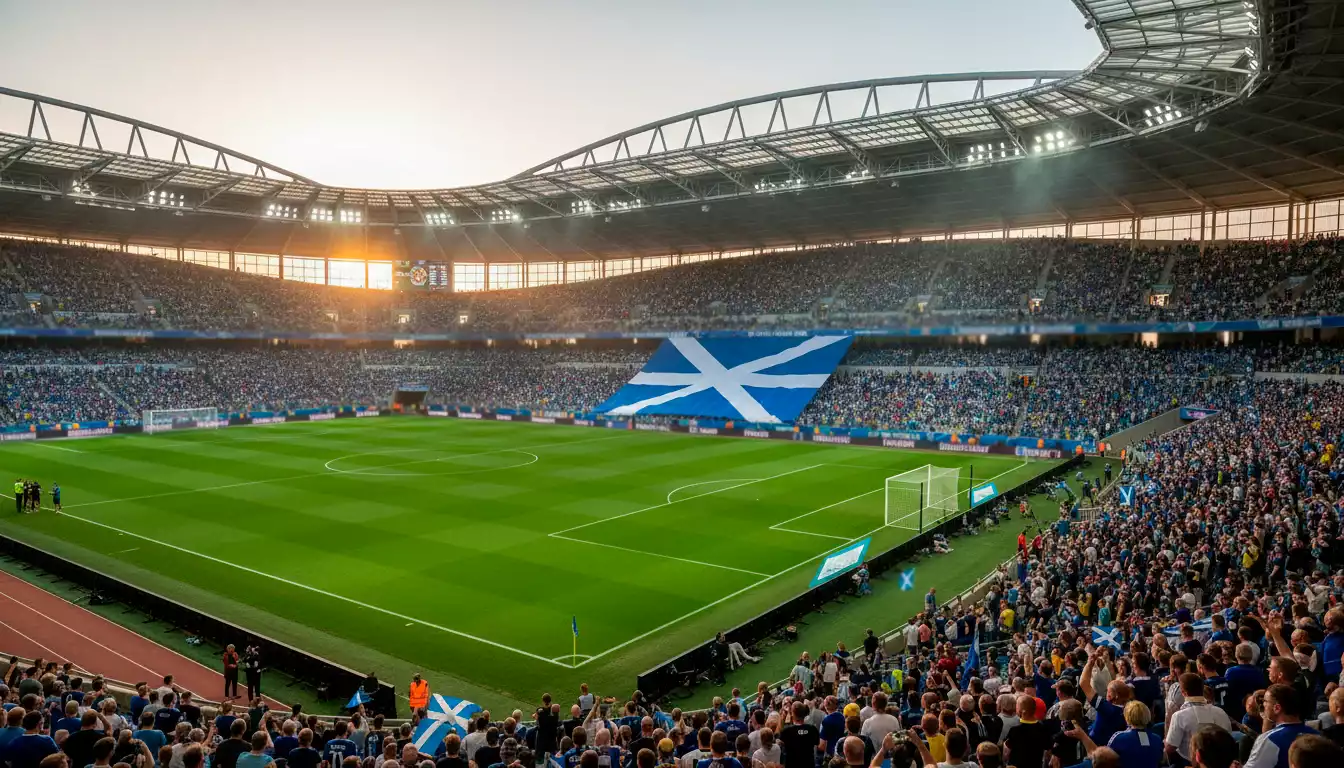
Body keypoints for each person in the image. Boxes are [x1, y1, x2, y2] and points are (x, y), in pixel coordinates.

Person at [1243, 684, 1318, 768]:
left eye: (1265, 701)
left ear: (1277, 708)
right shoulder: (1318, 736)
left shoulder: (1269, 740)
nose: (1263, 705)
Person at [1166, 673, 1232, 765]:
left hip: (1190, 763)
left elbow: (1170, 748)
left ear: (1183, 692)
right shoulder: (1220, 712)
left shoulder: (1179, 716)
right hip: (1222, 763)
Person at [777, 702, 820, 768]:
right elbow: (817, 744)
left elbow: (779, 744)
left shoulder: (786, 731)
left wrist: (783, 718)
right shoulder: (812, 729)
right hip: (809, 765)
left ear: (792, 713)